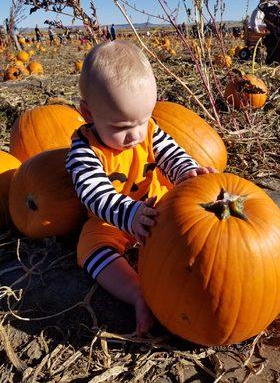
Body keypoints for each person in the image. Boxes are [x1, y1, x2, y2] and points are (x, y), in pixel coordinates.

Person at [65, 41, 216, 336]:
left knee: (192, 230)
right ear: (89, 114)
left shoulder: (146, 130)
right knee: (90, 249)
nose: (135, 135)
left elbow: (170, 153)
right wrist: (129, 214)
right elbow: (93, 193)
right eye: (121, 127)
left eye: (143, 121)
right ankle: (136, 292)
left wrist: (187, 171)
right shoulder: (84, 150)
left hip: (159, 207)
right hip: (113, 220)